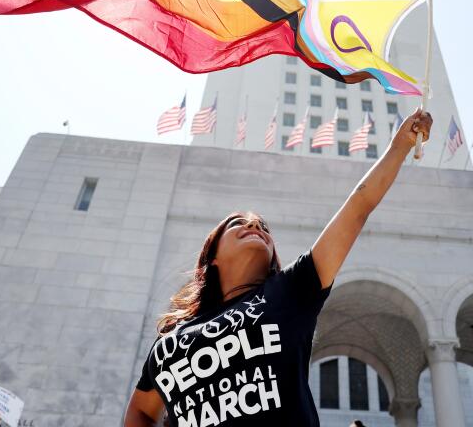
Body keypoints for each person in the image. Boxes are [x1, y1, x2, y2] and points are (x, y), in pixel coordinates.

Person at [124, 108, 433, 427]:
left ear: (272, 257)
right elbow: (142, 410)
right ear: (211, 257)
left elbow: (358, 206)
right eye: (238, 224)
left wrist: (400, 146)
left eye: (263, 227)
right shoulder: (172, 341)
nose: (254, 226)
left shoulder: (290, 292)